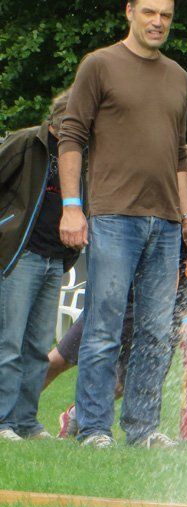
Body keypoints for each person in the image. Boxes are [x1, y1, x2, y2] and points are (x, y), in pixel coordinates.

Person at [57, 0, 187, 449]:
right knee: (103, 326)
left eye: (165, 14)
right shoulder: (99, 65)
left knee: (156, 332)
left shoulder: (178, 76)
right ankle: (94, 429)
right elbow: (71, 136)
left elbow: (178, 154)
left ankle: (142, 430)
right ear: (129, 11)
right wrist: (71, 206)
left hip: (164, 224)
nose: (158, 21)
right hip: (112, 217)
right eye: (149, 12)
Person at [46, 146, 187, 438]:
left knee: (125, 381)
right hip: (121, 296)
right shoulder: (143, 197)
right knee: (60, 359)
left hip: (163, 304)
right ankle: (16, 415)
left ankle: (76, 416)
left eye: (181, 177)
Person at [0, 90, 82, 441]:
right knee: (9, 342)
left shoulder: (81, 156)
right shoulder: (25, 142)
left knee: (37, 345)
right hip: (21, 255)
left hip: (55, 259)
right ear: (58, 119)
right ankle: (2, 421)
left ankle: (26, 421)